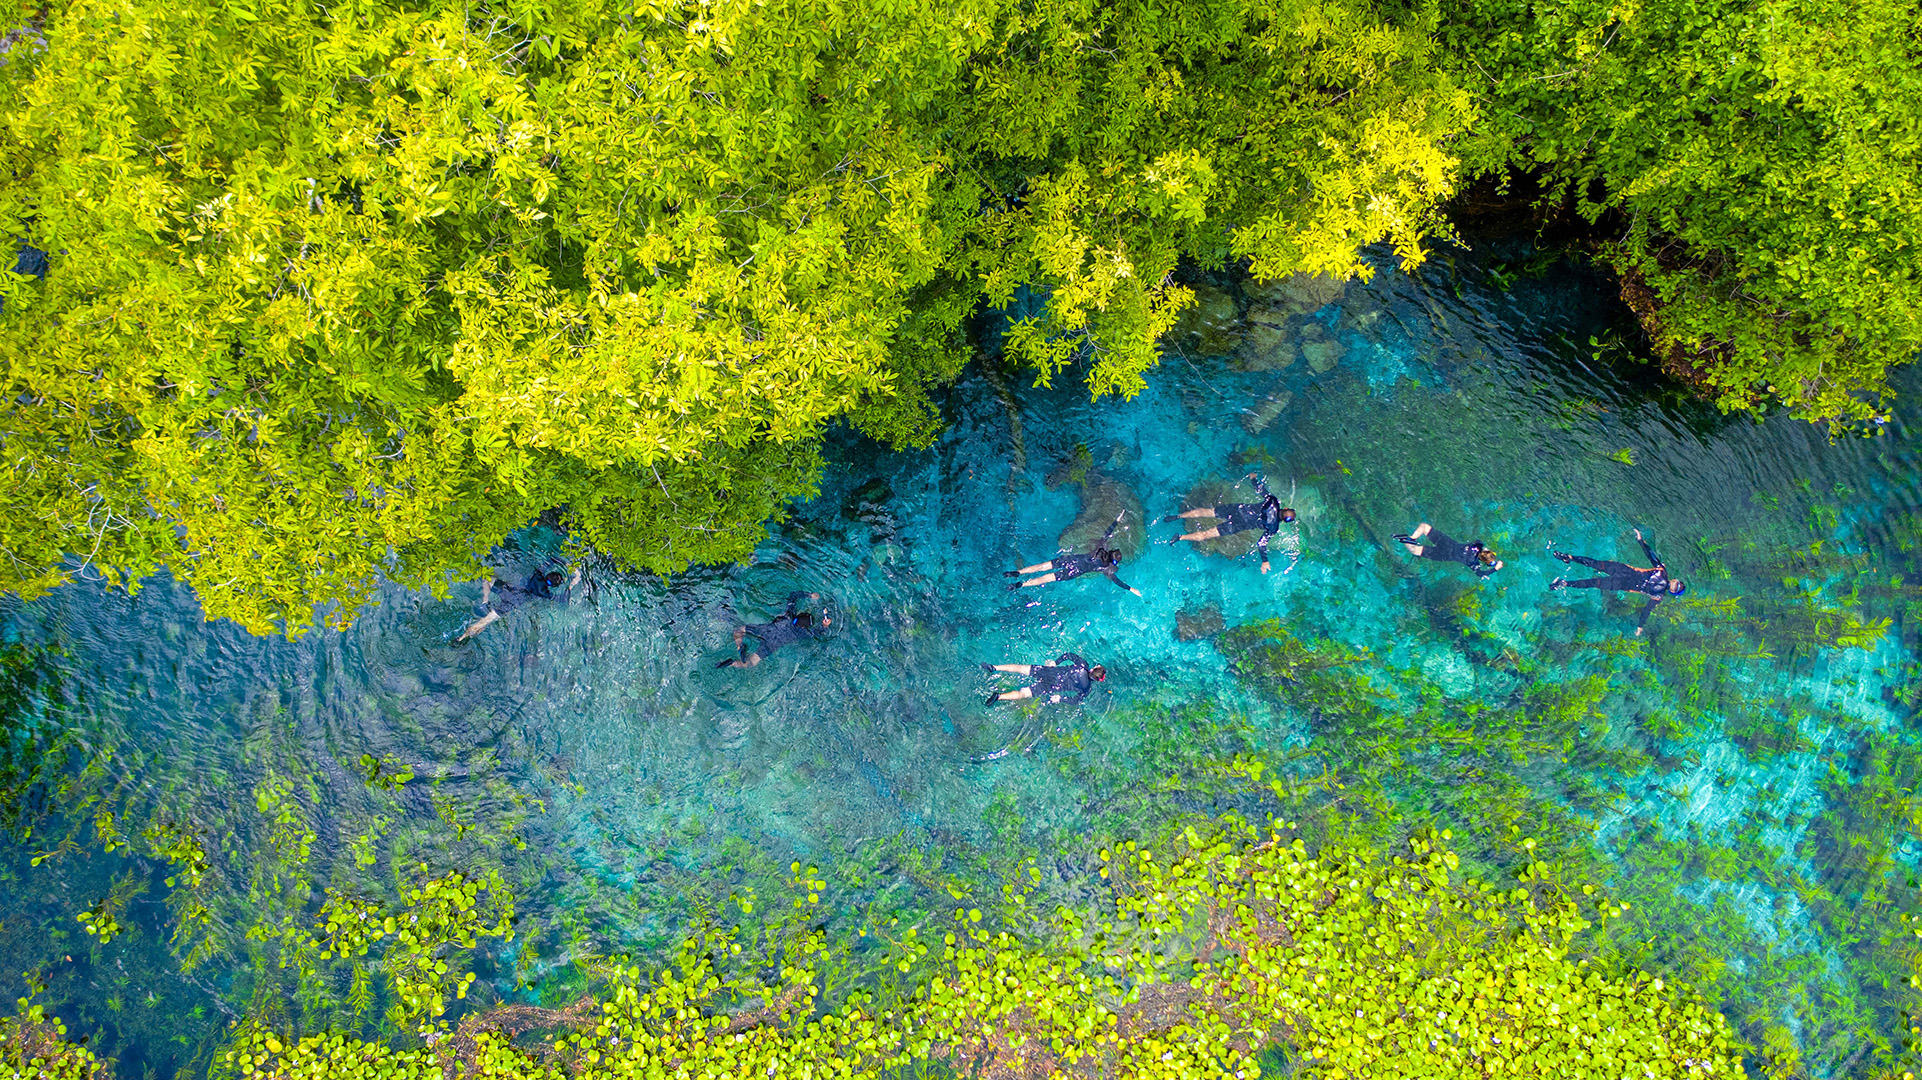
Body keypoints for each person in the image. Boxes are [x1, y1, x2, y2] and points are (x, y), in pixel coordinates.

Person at [1549, 528, 1686, 635]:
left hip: (1623, 570)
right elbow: (1646, 611)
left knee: (1596, 564)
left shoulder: (1662, 570)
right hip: (1621, 584)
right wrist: (1640, 626)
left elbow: (1650, 555)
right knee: (1593, 583)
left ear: (1675, 581)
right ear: (1672, 591)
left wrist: (1640, 540)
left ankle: (1567, 557)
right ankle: (1563, 583)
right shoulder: (1658, 596)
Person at [1163, 473, 1299, 574]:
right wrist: (1264, 561)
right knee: (1206, 535)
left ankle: (1177, 516)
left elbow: (1260, 489)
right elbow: (1261, 544)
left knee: (1206, 512)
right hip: (1237, 526)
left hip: (1237, 510)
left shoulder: (1273, 501)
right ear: (1284, 521)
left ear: (1285, 508)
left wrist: (1253, 478)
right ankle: (1180, 537)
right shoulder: (1273, 527)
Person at [1005, 512, 1142, 596]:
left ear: (1111, 551)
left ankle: (1018, 572)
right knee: (1046, 578)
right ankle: (1021, 585)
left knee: (1041, 567)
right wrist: (1132, 589)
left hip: (1070, 560)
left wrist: (1117, 520)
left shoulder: (1100, 548)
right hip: (1073, 572)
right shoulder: (1107, 570)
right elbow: (1118, 582)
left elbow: (1107, 533)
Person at [458, 565, 578, 642]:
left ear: (547, 575)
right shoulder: (544, 593)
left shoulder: (537, 575)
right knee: (483, 622)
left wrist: (567, 564)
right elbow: (563, 599)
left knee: (486, 578)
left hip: (508, 590)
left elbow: (549, 561)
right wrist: (573, 582)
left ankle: (485, 600)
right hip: (512, 603)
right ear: (554, 586)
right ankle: (461, 639)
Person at [716, 592, 832, 668]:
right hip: (772, 644)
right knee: (750, 663)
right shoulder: (802, 633)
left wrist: (810, 595)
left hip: (767, 630)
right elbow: (819, 633)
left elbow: (793, 595)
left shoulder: (789, 615)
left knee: (739, 630)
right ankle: (732, 663)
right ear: (803, 627)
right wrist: (824, 625)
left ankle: (739, 646)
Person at [983, 653, 1105, 705]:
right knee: (1023, 693)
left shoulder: (1083, 665)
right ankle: (999, 697)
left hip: (1050, 672)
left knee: (1020, 668)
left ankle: (994, 667)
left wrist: (1055, 662)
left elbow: (1067, 655)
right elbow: (1075, 701)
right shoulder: (1087, 689)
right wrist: (1061, 698)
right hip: (1051, 686)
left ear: (1094, 668)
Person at [1393, 522, 1503, 577]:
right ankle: (1404, 540)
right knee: (1415, 551)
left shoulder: (1477, 545)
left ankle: (1412, 538)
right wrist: (1495, 569)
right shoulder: (1473, 563)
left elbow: (1478, 540)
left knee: (1424, 526)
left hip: (1448, 543)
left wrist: (1485, 549)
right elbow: (1480, 574)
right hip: (1445, 555)